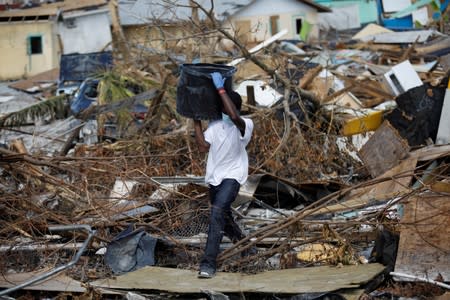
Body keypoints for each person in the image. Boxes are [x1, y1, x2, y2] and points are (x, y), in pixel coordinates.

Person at [193, 72, 254, 279]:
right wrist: (196, 120)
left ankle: (208, 264)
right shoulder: (216, 126)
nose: (225, 112)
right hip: (214, 178)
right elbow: (202, 147)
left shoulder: (245, 125)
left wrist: (220, 89)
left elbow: (235, 116)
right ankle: (247, 247)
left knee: (217, 214)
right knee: (224, 218)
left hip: (233, 176)